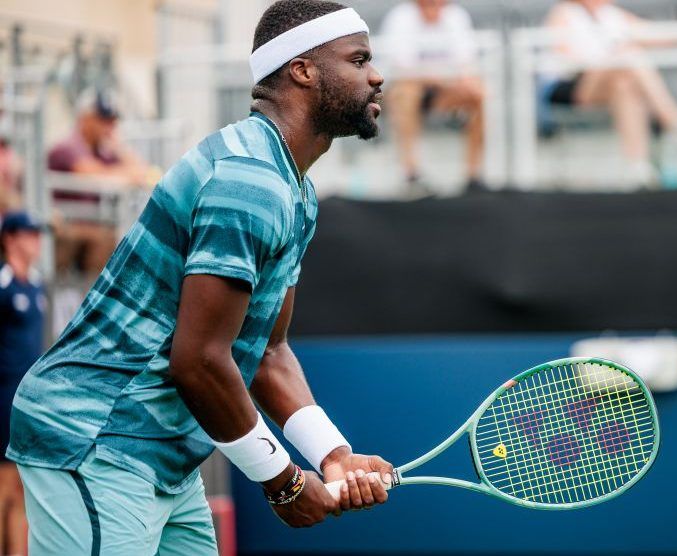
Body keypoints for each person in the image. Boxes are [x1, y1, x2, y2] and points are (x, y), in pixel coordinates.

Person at [8, 1, 391, 554]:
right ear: (303, 71)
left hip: (160, 452)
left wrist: (332, 454)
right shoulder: (251, 182)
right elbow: (200, 360)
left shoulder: (294, 191)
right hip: (97, 438)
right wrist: (283, 482)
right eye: (358, 60)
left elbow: (268, 350)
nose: (375, 75)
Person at [543, 0, 677, 188]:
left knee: (625, 88)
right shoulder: (564, 13)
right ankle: (673, 120)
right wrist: (608, 60)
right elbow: (565, 57)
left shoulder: (612, 15)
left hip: (609, 84)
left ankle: (637, 167)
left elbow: (654, 34)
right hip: (570, 84)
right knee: (629, 55)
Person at [380, 0, 486, 193]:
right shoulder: (401, 17)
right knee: (406, 94)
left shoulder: (456, 16)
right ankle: (411, 173)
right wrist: (447, 78)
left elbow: (466, 63)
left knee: (478, 95)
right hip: (408, 89)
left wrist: (463, 83)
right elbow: (404, 69)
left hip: (442, 90)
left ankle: (473, 174)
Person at [47, 89, 151, 275]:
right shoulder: (67, 147)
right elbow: (93, 174)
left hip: (89, 227)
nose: (110, 127)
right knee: (104, 239)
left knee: (119, 239)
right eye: (103, 120)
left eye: (112, 121)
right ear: (85, 119)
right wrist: (126, 175)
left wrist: (119, 148)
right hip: (64, 226)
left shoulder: (103, 151)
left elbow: (142, 172)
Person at [0, 212, 45, 556]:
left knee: (21, 488)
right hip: (2, 398)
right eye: (30, 234)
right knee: (3, 485)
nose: (37, 241)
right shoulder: (2, 286)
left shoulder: (38, 285)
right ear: (10, 238)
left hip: (26, 401)